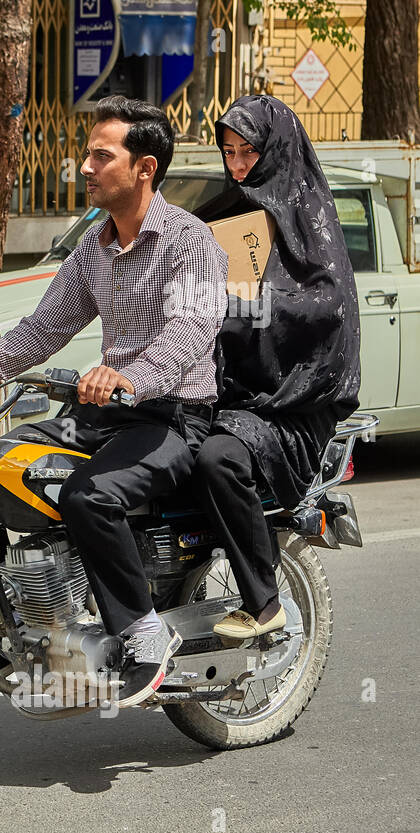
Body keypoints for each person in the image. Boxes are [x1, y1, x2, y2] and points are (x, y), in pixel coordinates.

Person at [0, 95, 228, 707]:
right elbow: (40, 333)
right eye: (86, 154)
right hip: (102, 415)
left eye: (102, 156)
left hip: (172, 418)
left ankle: (142, 634)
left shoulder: (192, 242)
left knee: (88, 494)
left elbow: (192, 330)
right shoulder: (93, 249)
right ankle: (9, 628)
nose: (84, 166)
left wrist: (130, 376)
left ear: (144, 168)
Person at [190, 95, 361, 644]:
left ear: (277, 150)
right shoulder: (222, 214)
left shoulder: (309, 220)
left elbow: (326, 311)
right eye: (229, 152)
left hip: (292, 402)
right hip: (231, 394)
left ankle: (263, 602)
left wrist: (241, 307)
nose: (238, 165)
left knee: (219, 458)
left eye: (249, 152)